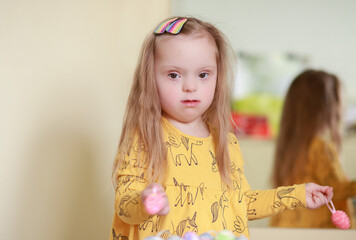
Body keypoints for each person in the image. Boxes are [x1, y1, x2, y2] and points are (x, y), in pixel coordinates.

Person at [110, 17, 333, 240]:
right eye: (174, 75)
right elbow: (123, 206)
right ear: (150, 79)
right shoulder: (146, 138)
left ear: (218, 77)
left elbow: (243, 204)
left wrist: (297, 194)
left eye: (203, 74)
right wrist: (144, 201)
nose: (190, 86)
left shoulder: (226, 143)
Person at [270, 69, 356, 228]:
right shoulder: (320, 146)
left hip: (284, 226)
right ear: (329, 107)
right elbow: (335, 189)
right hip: (315, 230)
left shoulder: (292, 147)